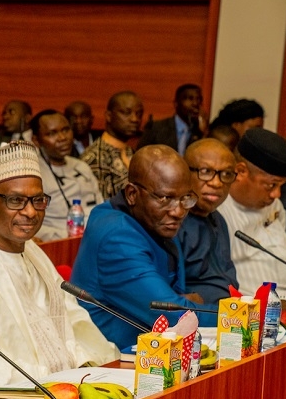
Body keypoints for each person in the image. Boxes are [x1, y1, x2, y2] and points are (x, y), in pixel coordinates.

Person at [0, 141, 116, 386]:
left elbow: (73, 320)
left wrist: (89, 369)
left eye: (38, 200)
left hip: (68, 387)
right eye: (16, 201)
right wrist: (54, 382)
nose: (30, 212)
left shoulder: (34, 252)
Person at [71, 145, 207, 350]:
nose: (178, 211)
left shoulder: (154, 219)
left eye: (185, 198)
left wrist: (180, 303)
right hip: (114, 360)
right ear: (132, 194)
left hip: (156, 349)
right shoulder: (116, 236)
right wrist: (234, 313)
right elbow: (175, 315)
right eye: (165, 198)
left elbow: (174, 304)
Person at [217, 128, 286, 294]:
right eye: (271, 185)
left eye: (281, 186)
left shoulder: (275, 205)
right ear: (241, 171)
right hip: (250, 311)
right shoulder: (217, 211)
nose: (277, 194)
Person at [177, 138, 239, 304]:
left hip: (228, 315)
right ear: (183, 171)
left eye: (226, 174)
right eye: (205, 171)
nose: (216, 183)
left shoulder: (219, 220)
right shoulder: (172, 219)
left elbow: (228, 282)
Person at [31, 109, 103, 240]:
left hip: (96, 235)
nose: (62, 138)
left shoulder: (82, 166)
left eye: (65, 130)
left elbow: (100, 207)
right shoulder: (33, 173)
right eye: (52, 133)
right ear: (36, 140)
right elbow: (31, 224)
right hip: (58, 241)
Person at [82, 91, 144, 199]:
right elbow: (100, 207)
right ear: (109, 116)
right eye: (126, 113)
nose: (135, 119)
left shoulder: (132, 152)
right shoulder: (95, 158)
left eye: (138, 114)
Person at [137, 84, 203, 155]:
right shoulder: (156, 128)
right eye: (190, 99)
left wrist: (203, 133)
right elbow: (140, 155)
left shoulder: (199, 131)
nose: (195, 103)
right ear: (176, 103)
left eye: (198, 99)